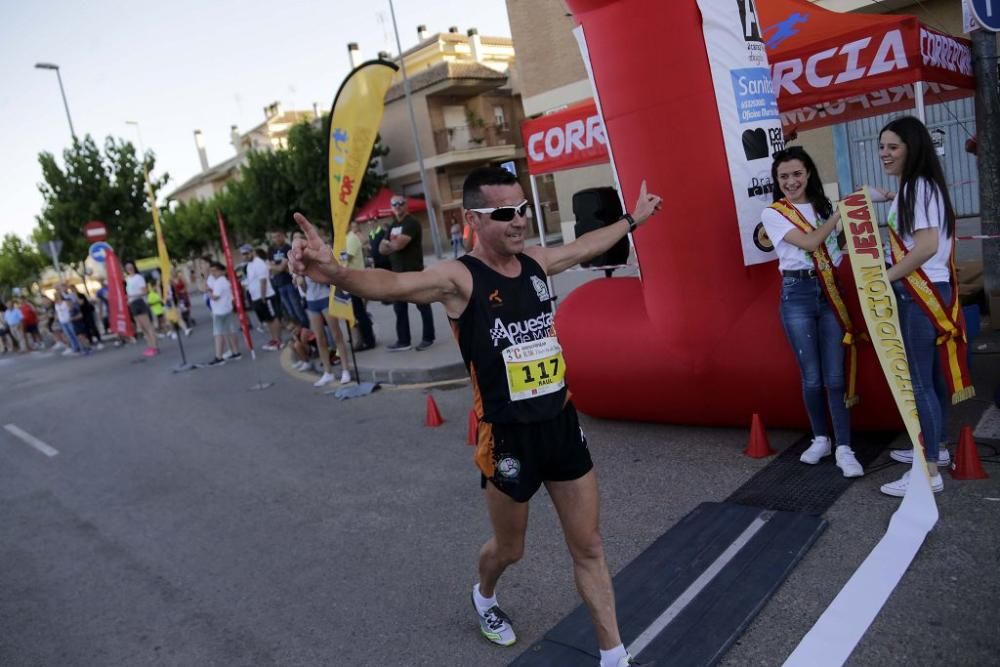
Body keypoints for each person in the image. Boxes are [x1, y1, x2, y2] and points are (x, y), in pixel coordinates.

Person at [290, 166, 662, 667]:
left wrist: (632, 220)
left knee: (590, 545)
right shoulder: (457, 278)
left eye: (524, 209)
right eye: (505, 213)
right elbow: (393, 284)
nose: (520, 221)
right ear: (472, 219)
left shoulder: (534, 262)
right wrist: (335, 273)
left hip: (560, 424)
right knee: (511, 550)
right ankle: (484, 594)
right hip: (506, 438)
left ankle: (614, 655)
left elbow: (583, 248)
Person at [869, 116, 970, 497]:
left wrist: (886, 276)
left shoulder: (916, 189)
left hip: (919, 291)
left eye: (893, 147)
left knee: (919, 381)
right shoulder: (922, 187)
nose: (884, 154)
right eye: (882, 147)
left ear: (913, 148)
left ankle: (927, 470)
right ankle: (936, 448)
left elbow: (925, 246)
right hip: (934, 287)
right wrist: (887, 197)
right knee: (931, 375)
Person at [759, 147, 863, 478]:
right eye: (784, 176)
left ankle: (844, 447)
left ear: (809, 174)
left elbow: (836, 251)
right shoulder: (774, 213)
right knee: (813, 377)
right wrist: (839, 215)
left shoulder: (822, 207)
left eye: (797, 174)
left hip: (829, 291)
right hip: (797, 294)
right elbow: (810, 243)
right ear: (777, 181)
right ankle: (821, 438)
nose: (791, 181)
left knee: (835, 377)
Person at [380, 195, 435, 352]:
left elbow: (398, 245)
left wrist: (389, 244)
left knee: (423, 305)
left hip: (414, 272)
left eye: (400, 203)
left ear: (406, 205)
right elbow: (381, 250)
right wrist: (391, 244)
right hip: (397, 275)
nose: (397, 206)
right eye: (394, 204)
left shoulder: (411, 222)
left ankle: (428, 338)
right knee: (399, 308)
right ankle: (404, 341)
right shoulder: (393, 225)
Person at [241, 245, 284, 350]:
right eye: (243, 254)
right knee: (268, 320)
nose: (245, 256)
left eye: (247, 253)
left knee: (273, 318)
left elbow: (263, 280)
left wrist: (263, 296)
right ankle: (274, 339)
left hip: (266, 296)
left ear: (252, 252)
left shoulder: (258, 263)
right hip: (256, 297)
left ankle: (279, 341)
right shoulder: (249, 265)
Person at [345, 220, 376, 351]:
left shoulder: (351, 238)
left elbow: (347, 259)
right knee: (357, 313)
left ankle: (369, 341)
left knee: (360, 313)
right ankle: (365, 339)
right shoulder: (346, 238)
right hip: (350, 282)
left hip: (355, 281)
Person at [269, 229, 309, 327]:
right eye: (274, 237)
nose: (276, 239)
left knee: (298, 309)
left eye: (278, 236)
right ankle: (301, 336)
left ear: (283, 236)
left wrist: (277, 267)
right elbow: (271, 268)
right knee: (291, 313)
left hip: (290, 283)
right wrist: (279, 267)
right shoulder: (271, 250)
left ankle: (309, 332)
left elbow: (281, 267)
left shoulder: (288, 248)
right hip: (280, 285)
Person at [205, 262, 242, 366]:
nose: (213, 273)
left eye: (215, 270)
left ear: (221, 271)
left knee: (218, 334)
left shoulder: (220, 281)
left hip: (219, 311)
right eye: (212, 271)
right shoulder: (223, 281)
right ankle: (236, 352)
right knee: (229, 331)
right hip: (226, 309)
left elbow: (215, 297)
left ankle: (219, 356)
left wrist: (208, 292)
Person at [124, 262, 160, 357]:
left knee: (147, 325)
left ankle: (155, 346)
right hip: (132, 304)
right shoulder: (127, 279)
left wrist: (131, 296)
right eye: (127, 268)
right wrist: (128, 299)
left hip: (139, 302)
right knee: (142, 327)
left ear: (134, 267)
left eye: (131, 267)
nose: (129, 269)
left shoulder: (138, 278)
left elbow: (144, 292)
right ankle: (150, 346)